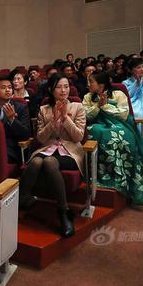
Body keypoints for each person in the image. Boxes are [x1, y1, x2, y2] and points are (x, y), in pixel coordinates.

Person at [19, 74, 85, 238]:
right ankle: (23, 198)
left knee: (48, 162)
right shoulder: (44, 109)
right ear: (51, 89)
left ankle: (63, 212)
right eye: (59, 87)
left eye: (66, 86)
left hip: (70, 152)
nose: (63, 90)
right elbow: (40, 138)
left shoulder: (78, 107)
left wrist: (64, 119)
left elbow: (78, 137)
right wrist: (52, 121)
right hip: (48, 148)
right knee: (35, 163)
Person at [83, 72, 143, 206]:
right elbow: (86, 116)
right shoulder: (88, 97)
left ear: (101, 85)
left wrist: (106, 105)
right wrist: (98, 105)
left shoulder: (118, 94)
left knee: (115, 136)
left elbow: (123, 114)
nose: (88, 85)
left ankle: (121, 177)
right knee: (97, 133)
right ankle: (102, 174)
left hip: (119, 124)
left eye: (91, 82)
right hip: (97, 124)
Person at [0, 76, 31, 164]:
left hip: (10, 149)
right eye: (3, 87)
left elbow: (26, 134)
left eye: (10, 87)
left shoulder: (21, 107)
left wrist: (12, 120)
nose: (8, 90)